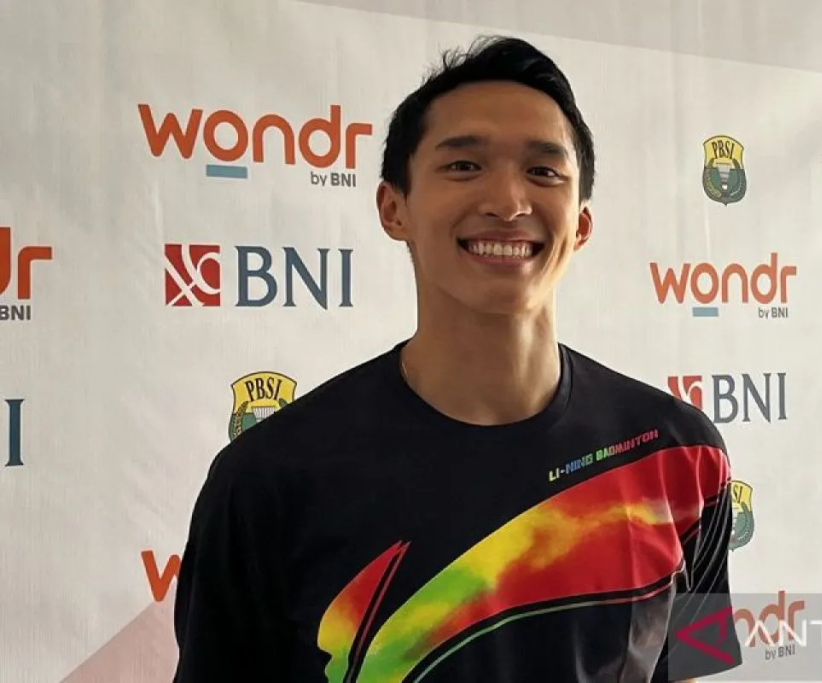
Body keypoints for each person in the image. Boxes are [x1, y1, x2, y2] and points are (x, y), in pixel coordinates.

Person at [171, 34, 742, 683]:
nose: (508, 203)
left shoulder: (682, 454)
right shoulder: (267, 478)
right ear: (394, 209)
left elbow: (696, 666)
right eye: (465, 166)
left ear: (581, 224)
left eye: (544, 172)